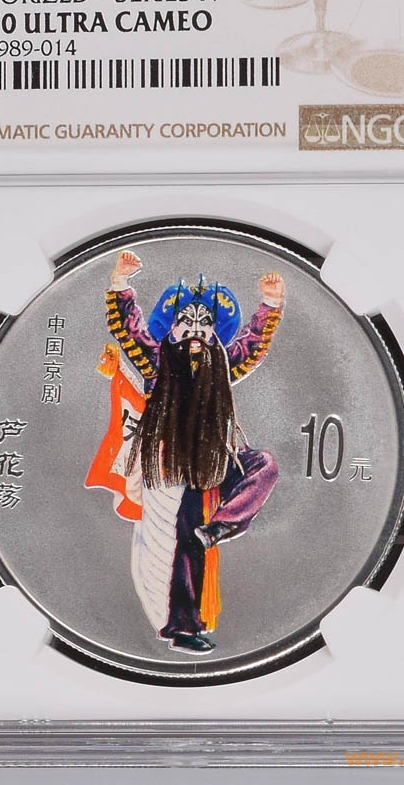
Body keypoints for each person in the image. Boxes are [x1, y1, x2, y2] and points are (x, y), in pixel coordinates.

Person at [93, 250, 283, 654]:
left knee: (264, 464)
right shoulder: (157, 361)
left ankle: (220, 527)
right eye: (187, 322)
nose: (195, 329)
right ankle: (182, 627)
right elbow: (128, 329)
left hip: (214, 462)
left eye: (203, 323)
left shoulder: (223, 363)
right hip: (173, 468)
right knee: (183, 543)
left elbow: (252, 345)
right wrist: (120, 282)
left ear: (214, 331)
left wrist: (270, 304)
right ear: (173, 327)